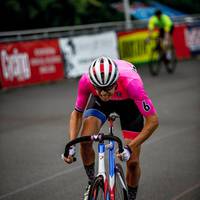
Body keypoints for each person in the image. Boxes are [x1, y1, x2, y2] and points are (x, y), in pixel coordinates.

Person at [63, 56, 159, 200]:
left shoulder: (132, 84)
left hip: (128, 105)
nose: (103, 94)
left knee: (132, 163)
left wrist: (130, 147)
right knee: (85, 140)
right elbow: (77, 114)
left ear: (115, 82)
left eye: (107, 89)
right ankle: (91, 182)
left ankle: (131, 197)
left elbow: (153, 121)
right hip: (100, 105)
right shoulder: (86, 81)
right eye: (99, 89)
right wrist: (71, 143)